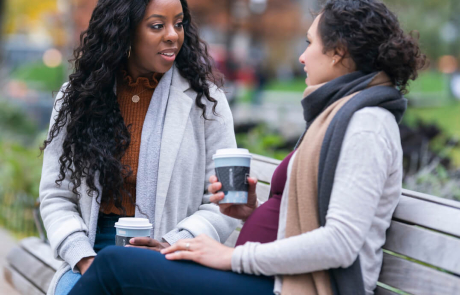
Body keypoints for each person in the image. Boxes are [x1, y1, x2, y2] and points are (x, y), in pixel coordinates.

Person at [68, 0, 427, 294]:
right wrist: (250, 215)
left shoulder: (366, 125)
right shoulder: (341, 116)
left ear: (337, 52)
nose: (302, 57)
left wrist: (228, 257)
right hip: (269, 277)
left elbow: (340, 243)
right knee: (125, 266)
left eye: (309, 43)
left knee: (118, 264)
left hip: (288, 286)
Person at [39, 0, 239, 294]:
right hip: (93, 251)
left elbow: (221, 204)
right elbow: (56, 195)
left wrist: (172, 244)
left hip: (171, 257)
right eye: (158, 25)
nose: (173, 35)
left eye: (179, 23)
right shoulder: (78, 98)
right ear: (125, 31)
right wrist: (83, 258)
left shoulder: (206, 101)